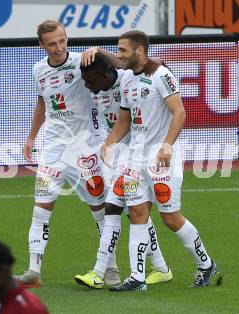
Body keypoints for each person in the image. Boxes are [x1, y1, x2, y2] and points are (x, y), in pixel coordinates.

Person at [101, 30, 222, 291]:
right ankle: (137, 278)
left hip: (160, 160)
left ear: (140, 51)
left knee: (171, 219)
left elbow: (179, 112)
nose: (119, 55)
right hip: (135, 158)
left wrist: (167, 145)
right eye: (118, 50)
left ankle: (206, 264)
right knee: (137, 213)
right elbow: (124, 120)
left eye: (123, 50)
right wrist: (109, 142)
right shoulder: (125, 82)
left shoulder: (161, 75)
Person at [15, 19, 120, 287]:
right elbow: (43, 102)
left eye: (62, 41)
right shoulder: (38, 70)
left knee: (99, 209)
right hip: (53, 148)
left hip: (86, 147)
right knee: (41, 208)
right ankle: (33, 271)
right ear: (42, 45)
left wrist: (97, 49)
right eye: (51, 44)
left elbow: (119, 62)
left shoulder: (82, 62)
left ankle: (111, 268)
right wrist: (31, 137)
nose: (59, 47)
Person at [74, 53, 173, 289]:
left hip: (139, 155)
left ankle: (100, 272)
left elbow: (158, 64)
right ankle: (160, 267)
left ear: (106, 74)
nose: (87, 86)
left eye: (90, 81)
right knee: (132, 213)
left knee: (116, 209)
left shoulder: (129, 78)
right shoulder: (98, 89)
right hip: (118, 157)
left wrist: (102, 51)